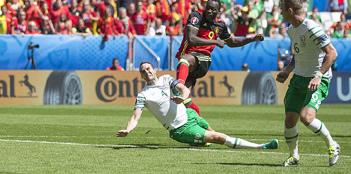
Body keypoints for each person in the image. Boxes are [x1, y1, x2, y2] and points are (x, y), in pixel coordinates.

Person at [117, 62, 278, 150]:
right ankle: (261, 147)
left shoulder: (166, 78)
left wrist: (182, 98)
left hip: (190, 115)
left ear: (154, 69)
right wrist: (128, 129)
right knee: (219, 138)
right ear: (141, 75)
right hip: (180, 129)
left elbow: (184, 89)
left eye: (148, 68)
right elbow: (135, 117)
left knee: (214, 135)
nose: (146, 72)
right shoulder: (143, 94)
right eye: (143, 71)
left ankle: (203, 141)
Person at [276, 0, 340, 166]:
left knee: (306, 117)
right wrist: (288, 71)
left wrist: (318, 76)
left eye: (282, 9)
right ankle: (294, 156)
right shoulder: (291, 29)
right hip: (298, 78)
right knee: (290, 120)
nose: (281, 13)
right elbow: (298, 55)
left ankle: (332, 145)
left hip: (317, 79)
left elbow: (332, 53)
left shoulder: (311, 27)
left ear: (290, 10)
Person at [175, 0, 264, 117]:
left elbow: (232, 42)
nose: (209, 11)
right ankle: (205, 127)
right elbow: (191, 39)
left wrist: (252, 39)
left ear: (218, 11)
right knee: (184, 99)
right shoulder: (196, 17)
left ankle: (179, 85)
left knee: (184, 61)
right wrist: (215, 42)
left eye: (213, 9)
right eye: (208, 8)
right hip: (189, 60)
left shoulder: (220, 25)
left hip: (203, 58)